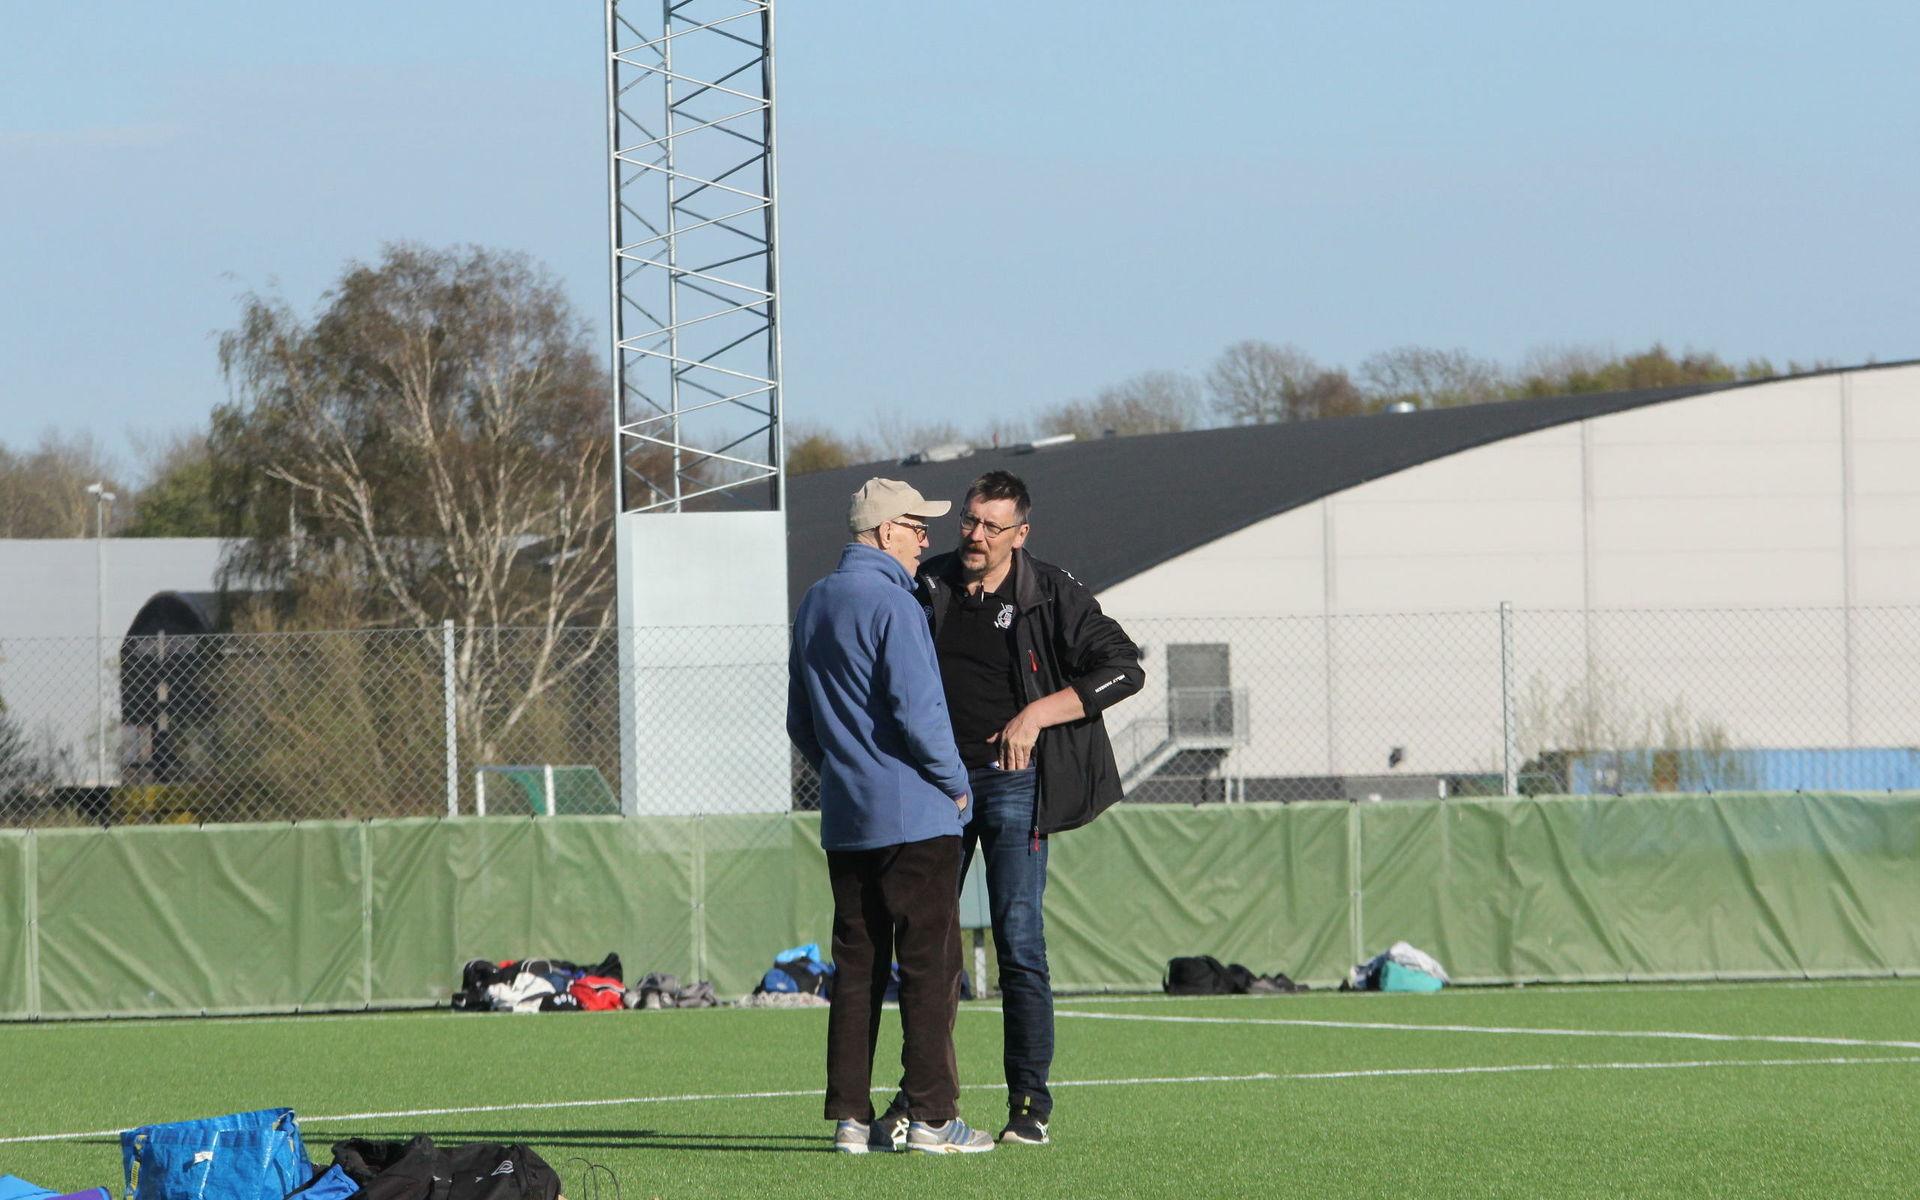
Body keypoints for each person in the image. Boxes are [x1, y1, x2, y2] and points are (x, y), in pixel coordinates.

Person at [899, 468, 1144, 1146]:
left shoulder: (1052, 592)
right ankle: (918, 1101)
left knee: (1018, 941)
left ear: (1020, 533)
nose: (975, 535)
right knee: (927, 945)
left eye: (991, 526)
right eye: (970, 522)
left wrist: (1036, 714)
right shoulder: (931, 582)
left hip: (1016, 783)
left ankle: (1029, 1104)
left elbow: (1125, 669)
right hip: (936, 787)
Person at [786, 477, 997, 1156]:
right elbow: (917, 711)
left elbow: (801, 720)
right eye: (914, 525)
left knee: (856, 968)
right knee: (931, 967)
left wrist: (846, 772)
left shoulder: (817, 600)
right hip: (916, 816)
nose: (926, 538)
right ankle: (933, 1121)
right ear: (882, 531)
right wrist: (955, 783)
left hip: (848, 817)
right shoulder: (895, 601)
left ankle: (851, 1119)